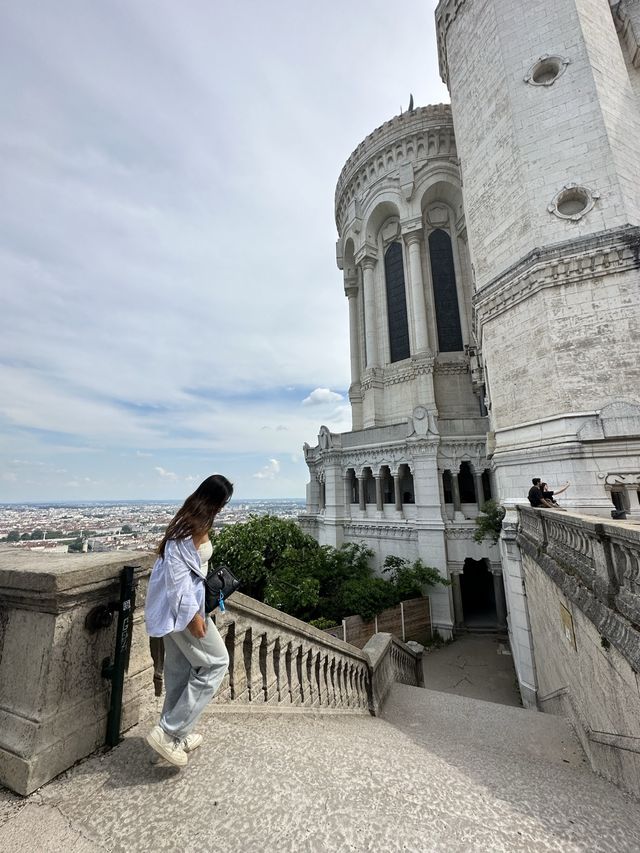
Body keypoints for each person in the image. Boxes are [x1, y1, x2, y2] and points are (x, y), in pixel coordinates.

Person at [144, 474, 233, 767]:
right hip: (182, 612)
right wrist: (194, 617)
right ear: (214, 500)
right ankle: (168, 731)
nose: (223, 508)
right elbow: (176, 581)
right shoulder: (188, 529)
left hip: (182, 610)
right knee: (217, 663)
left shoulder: (191, 519)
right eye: (223, 502)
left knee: (179, 674)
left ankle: (173, 739)